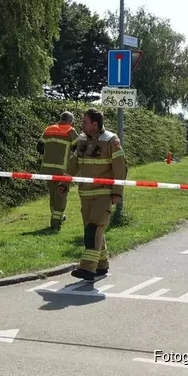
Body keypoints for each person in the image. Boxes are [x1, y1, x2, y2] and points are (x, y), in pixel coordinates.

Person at [58, 108, 126, 280]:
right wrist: (64, 183)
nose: (81, 124)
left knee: (94, 229)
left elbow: (120, 168)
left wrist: (117, 192)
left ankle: (87, 268)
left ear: (94, 125)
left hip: (103, 193)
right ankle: (102, 265)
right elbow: (74, 163)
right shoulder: (81, 140)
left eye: (85, 121)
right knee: (92, 229)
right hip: (85, 193)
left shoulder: (111, 140)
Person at [36, 112, 80, 229]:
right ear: (70, 121)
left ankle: (57, 216)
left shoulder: (49, 129)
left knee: (53, 194)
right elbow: (79, 148)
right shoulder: (70, 130)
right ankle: (56, 223)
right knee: (61, 194)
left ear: (60, 119)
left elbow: (39, 147)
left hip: (47, 168)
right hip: (62, 169)